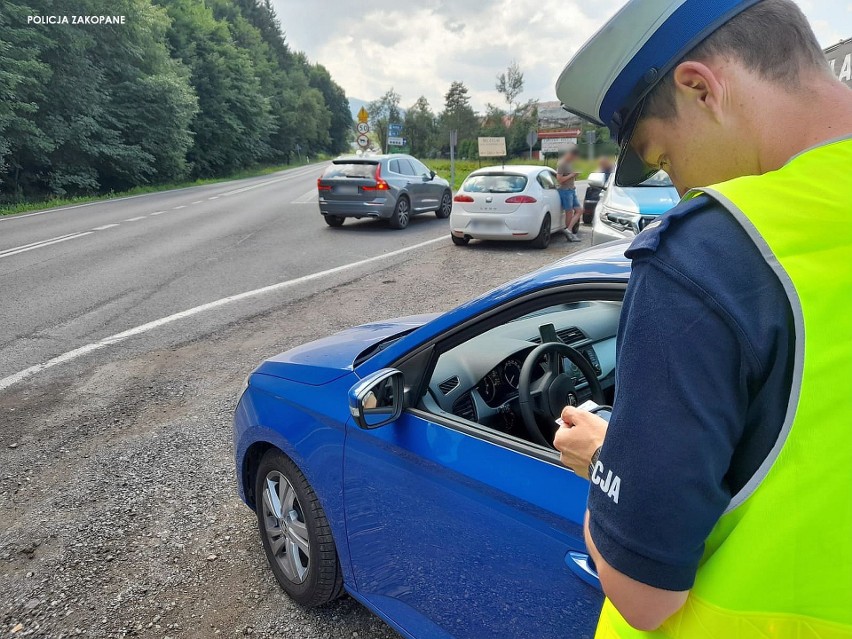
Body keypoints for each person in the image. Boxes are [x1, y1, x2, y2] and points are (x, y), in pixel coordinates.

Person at [552, 0, 852, 637]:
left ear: (699, 87)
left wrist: (608, 459)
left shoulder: (714, 249)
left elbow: (643, 596)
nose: (680, 186)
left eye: (663, 158)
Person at [556, 145, 583, 242]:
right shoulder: (562, 163)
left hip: (571, 189)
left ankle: (568, 230)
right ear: (570, 154)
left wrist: (576, 175)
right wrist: (572, 175)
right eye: (574, 157)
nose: (575, 159)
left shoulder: (571, 163)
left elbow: (572, 177)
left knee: (579, 210)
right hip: (565, 190)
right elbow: (559, 179)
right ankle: (569, 233)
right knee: (569, 212)